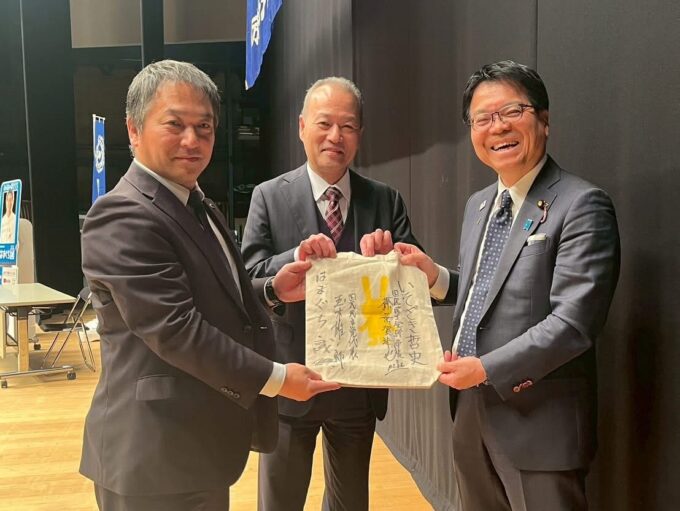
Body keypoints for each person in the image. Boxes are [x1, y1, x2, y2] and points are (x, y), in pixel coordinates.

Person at [79, 60, 339, 511]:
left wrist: (272, 290)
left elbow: (211, 297)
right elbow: (176, 329)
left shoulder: (195, 202)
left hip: (197, 445)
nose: (192, 140)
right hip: (152, 453)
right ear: (133, 129)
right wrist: (277, 379)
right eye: (174, 124)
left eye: (204, 127)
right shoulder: (123, 214)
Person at [395, 60, 620, 510]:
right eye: (482, 118)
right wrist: (434, 277)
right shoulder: (479, 204)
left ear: (544, 120)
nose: (497, 127)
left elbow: (574, 323)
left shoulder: (581, 204)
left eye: (512, 111)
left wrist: (485, 369)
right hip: (469, 414)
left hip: (539, 422)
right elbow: (488, 289)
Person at [241, 77, 444, 511]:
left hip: (360, 381)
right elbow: (250, 281)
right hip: (292, 377)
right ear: (301, 127)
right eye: (324, 123)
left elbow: (416, 283)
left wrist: (393, 260)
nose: (336, 136)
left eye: (348, 126)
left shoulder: (386, 200)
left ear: (360, 135)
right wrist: (293, 257)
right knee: (280, 502)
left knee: (351, 501)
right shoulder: (268, 197)